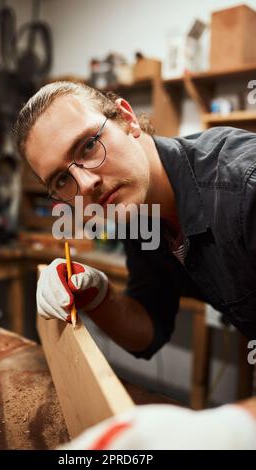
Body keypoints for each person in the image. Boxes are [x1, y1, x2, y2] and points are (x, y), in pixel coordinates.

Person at [14, 80, 256, 449]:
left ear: (127, 119)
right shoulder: (136, 210)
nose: (86, 183)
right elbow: (149, 329)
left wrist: (229, 430)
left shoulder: (244, 186)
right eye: (63, 179)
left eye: (89, 145)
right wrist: (96, 294)